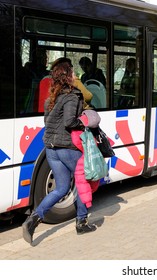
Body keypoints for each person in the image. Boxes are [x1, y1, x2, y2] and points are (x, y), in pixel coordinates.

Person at [22, 57, 97, 245]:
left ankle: (33, 219)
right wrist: (84, 121)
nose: (75, 75)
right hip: (68, 148)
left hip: (51, 149)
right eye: (72, 72)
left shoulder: (51, 97)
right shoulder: (72, 96)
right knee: (83, 181)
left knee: (62, 188)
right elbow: (70, 122)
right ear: (67, 76)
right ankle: (82, 222)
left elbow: (48, 122)